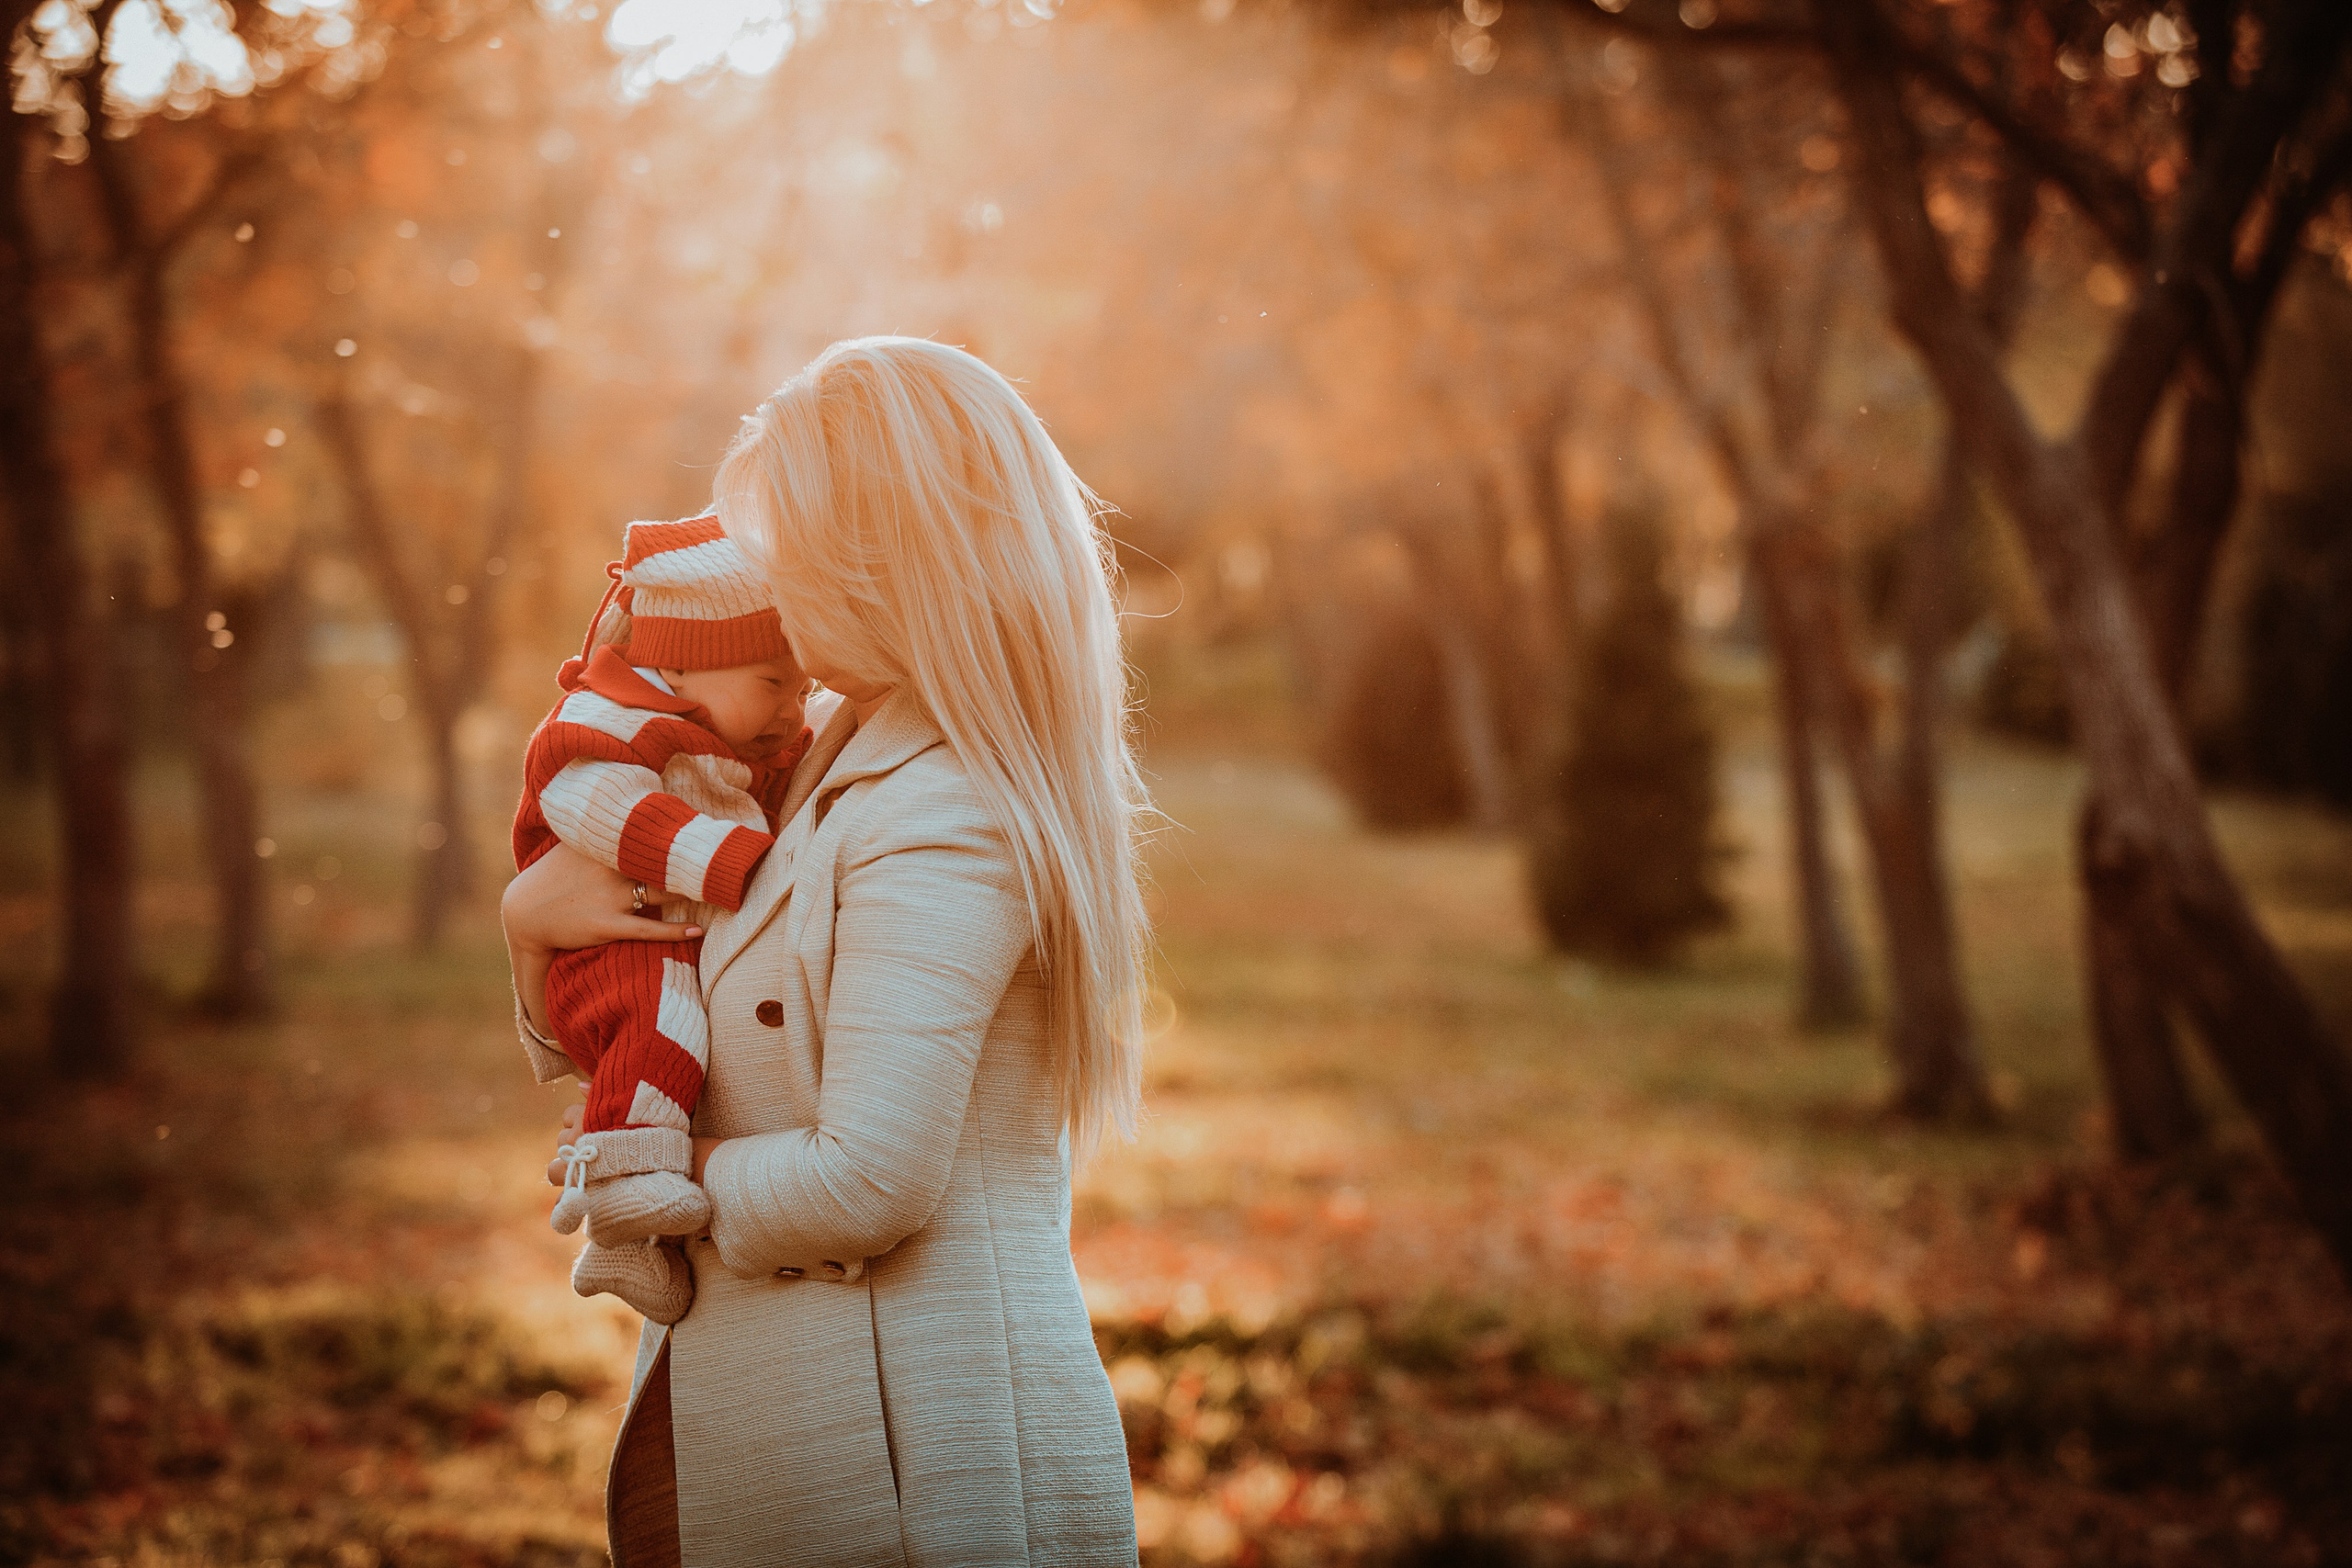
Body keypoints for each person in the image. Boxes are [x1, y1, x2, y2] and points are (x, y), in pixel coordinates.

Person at [503, 336, 1149, 1564]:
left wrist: (652, 1182)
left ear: (879, 558)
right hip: (810, 1420)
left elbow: (868, 1180)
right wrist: (532, 935)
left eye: (789, 547)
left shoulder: (947, 802)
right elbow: (686, 978)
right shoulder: (825, 749)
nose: (767, 584)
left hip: (912, 1455)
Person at [514, 517, 814, 1325]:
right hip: (609, 948)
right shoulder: (611, 722)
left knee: (675, 1053)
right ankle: (619, 1206)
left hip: (651, 935)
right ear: (682, 663)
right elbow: (598, 807)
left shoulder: (722, 734)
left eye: (804, 687)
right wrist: (736, 862)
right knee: (664, 1027)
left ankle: (633, 1246)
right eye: (771, 682)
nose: (793, 709)